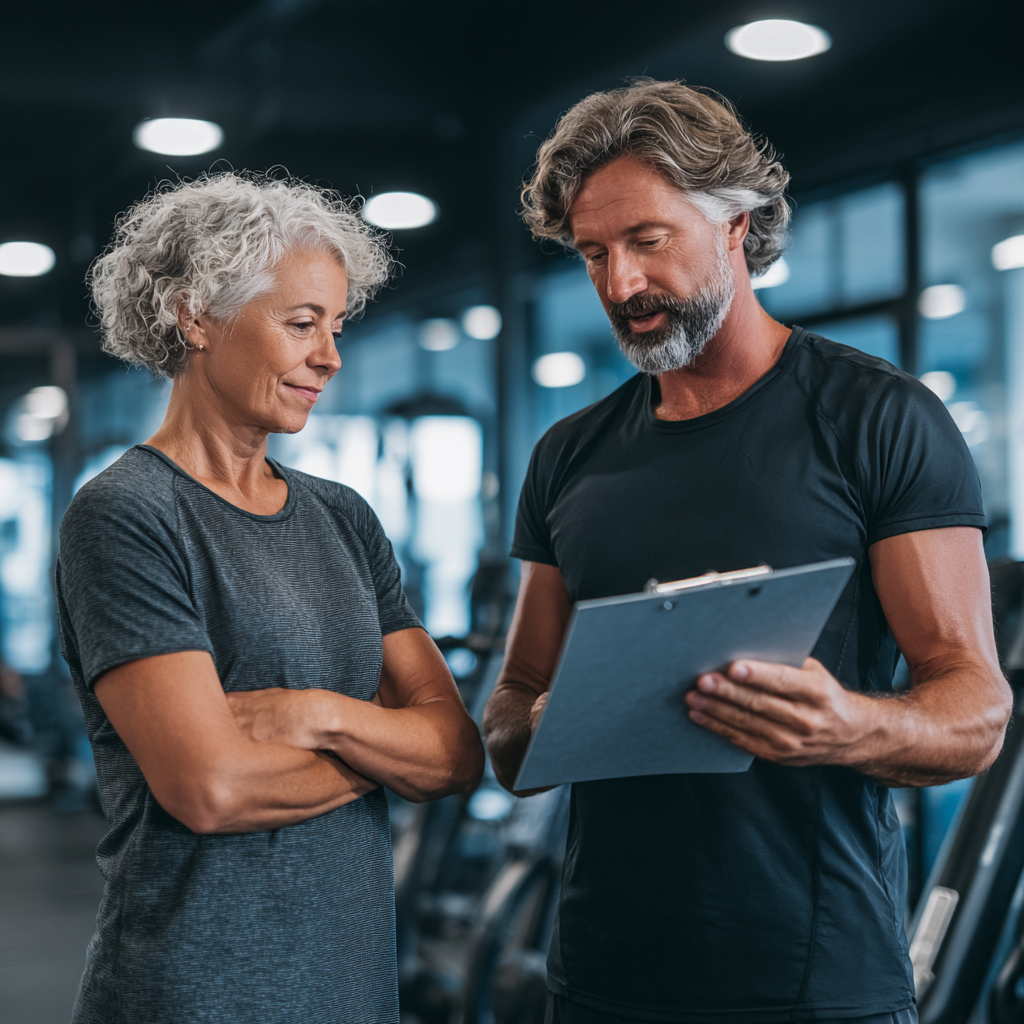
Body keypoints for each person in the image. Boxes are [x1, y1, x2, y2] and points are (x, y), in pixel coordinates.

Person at [483, 80, 1012, 1024]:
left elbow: (974, 712)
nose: (619, 286)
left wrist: (847, 725)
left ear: (740, 222)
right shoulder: (568, 455)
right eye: (593, 254)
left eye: (647, 241)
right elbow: (511, 733)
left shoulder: (878, 420)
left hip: (816, 982)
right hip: (604, 978)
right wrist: (575, 713)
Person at [58, 172, 484, 1024]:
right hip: (196, 990)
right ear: (196, 317)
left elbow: (455, 754)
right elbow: (211, 786)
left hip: (353, 984)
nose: (329, 355)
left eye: (335, 326)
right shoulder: (126, 514)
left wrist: (316, 714)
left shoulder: (342, 516)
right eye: (300, 324)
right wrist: (382, 755)